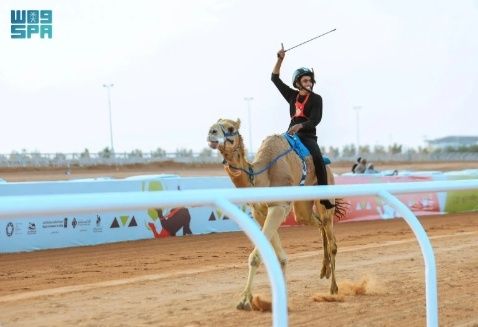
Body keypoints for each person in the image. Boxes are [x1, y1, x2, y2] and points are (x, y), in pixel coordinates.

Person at [271, 44, 334, 209]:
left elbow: (315, 120)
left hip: (307, 137)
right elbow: (275, 79)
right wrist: (280, 59)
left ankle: (324, 196)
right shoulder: (292, 95)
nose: (309, 83)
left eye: (310, 80)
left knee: (319, 160)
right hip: (290, 135)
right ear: (297, 83)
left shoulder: (317, 99)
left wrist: (300, 126)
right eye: (305, 80)